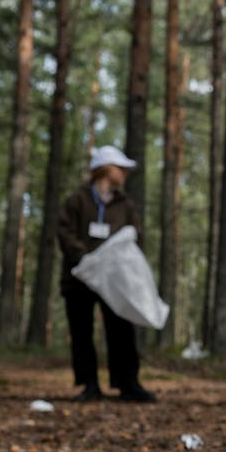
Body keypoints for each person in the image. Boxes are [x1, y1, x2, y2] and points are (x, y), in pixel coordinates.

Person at [57, 145, 156, 402]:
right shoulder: (77, 200)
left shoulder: (124, 205)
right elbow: (65, 233)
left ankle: (127, 382)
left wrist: (113, 257)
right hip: (79, 278)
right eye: (120, 168)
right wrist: (85, 258)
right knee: (81, 331)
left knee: (121, 328)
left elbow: (135, 234)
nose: (124, 173)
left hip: (114, 280)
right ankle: (89, 384)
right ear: (105, 169)